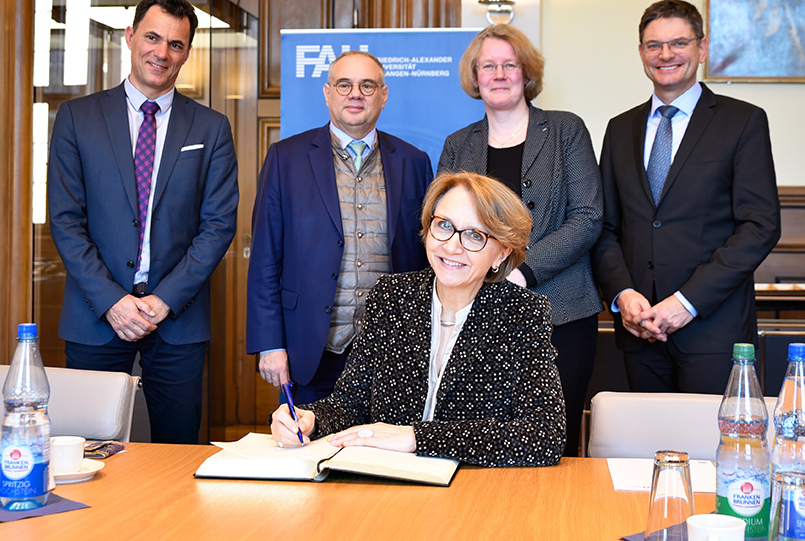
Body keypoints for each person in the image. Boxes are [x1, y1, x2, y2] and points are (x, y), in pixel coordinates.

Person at [269, 172, 565, 467]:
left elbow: (545, 435)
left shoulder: (523, 312)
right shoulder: (390, 297)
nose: (451, 246)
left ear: (502, 252)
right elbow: (350, 402)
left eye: (475, 235)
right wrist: (310, 419)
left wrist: (416, 437)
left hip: (473, 490)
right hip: (386, 484)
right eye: (444, 226)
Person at [48, 0, 238, 444]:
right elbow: (65, 220)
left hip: (177, 321)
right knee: (85, 450)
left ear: (187, 52)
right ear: (130, 37)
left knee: (177, 452)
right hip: (97, 316)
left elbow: (217, 226)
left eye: (175, 44)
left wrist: (162, 301)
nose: (162, 53)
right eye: (152, 37)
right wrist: (113, 301)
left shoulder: (211, 128)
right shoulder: (77, 118)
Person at [592, 0, 781, 394]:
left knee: (714, 452)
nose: (665, 55)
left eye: (678, 43)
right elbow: (605, 228)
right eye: (653, 45)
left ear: (702, 48)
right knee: (644, 452)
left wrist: (686, 302)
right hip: (639, 330)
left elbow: (760, 226)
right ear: (642, 52)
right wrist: (623, 296)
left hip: (713, 328)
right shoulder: (619, 129)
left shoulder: (743, 121)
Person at [437, 24, 601, 457]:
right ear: (474, 75)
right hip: (480, 315)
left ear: (526, 72)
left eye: (510, 64)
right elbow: (444, 220)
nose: (499, 73)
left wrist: (522, 274)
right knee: (485, 439)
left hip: (561, 314)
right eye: (488, 65)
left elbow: (588, 218)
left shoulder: (567, 130)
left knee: (553, 446)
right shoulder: (458, 144)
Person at [247, 50, 434, 404]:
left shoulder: (414, 162)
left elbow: (427, 262)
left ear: (384, 94)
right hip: (311, 350)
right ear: (327, 92)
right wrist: (270, 343)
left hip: (392, 353)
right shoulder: (285, 158)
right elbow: (265, 258)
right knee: (309, 453)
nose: (355, 94)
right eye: (344, 84)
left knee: (382, 457)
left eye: (367, 85)